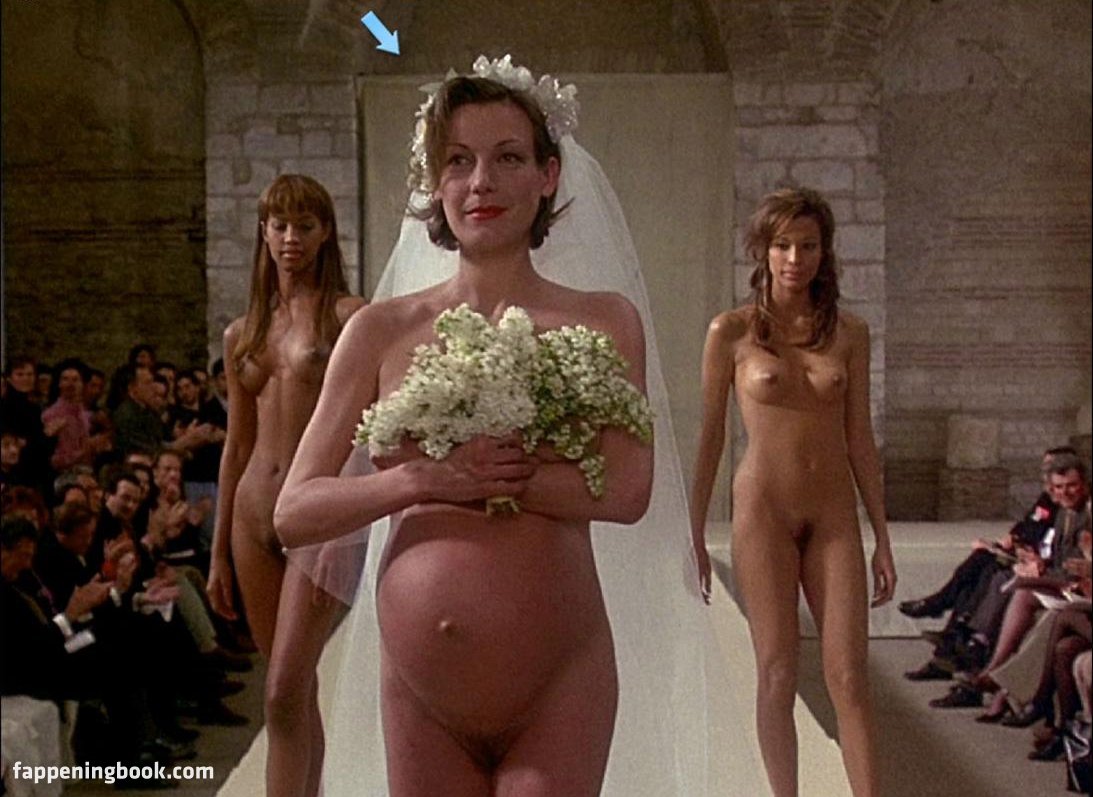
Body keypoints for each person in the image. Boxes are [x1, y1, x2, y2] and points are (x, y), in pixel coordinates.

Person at [275, 56, 760, 797]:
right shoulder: (380, 329)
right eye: (458, 161)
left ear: (548, 174)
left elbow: (627, 489)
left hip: (558, 679)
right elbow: (295, 511)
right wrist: (422, 478)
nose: (481, 182)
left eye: (507, 158)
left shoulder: (603, 319)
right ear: (434, 182)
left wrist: (500, 477)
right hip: (419, 689)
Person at [690, 186, 896, 797]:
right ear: (763, 250)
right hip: (763, 512)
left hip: (833, 516)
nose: (794, 259)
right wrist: (694, 533)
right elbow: (710, 438)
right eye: (782, 245)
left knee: (848, 678)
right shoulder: (730, 332)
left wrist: (883, 538)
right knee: (777, 673)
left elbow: (861, 440)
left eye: (808, 246)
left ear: (824, 252)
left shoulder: (850, 334)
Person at [206, 174, 365, 797]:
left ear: (325, 233)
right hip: (250, 515)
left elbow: (366, 430)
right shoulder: (241, 332)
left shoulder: (348, 318)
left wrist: (349, 520)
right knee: (289, 690)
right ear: (263, 232)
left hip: (312, 516)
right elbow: (235, 445)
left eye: (304, 225)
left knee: (281, 691)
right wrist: (218, 552)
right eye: (280, 225)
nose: (291, 237)